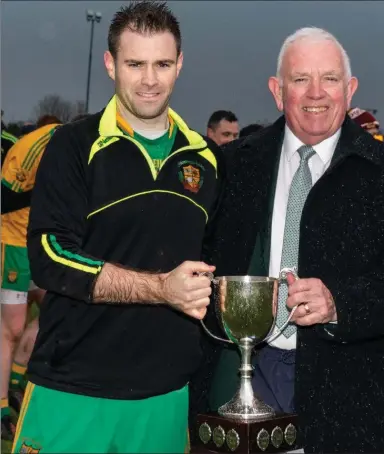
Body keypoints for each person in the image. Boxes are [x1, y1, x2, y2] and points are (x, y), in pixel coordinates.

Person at [198, 27, 384, 453]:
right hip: (245, 376)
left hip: (349, 391)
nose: (316, 93)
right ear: (277, 90)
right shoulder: (235, 166)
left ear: (350, 88)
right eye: (300, 79)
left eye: (330, 78)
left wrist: (339, 301)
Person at [11, 2, 224, 453]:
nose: (149, 80)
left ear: (180, 64)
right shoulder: (73, 144)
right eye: (135, 64)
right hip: (73, 386)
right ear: (111, 64)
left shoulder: (204, 157)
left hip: (164, 393)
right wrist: (161, 288)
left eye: (162, 64)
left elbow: (214, 261)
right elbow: (50, 256)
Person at [1, 115, 60, 440]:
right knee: (10, 329)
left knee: (57, 312)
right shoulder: (34, 145)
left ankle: (15, 383)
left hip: (42, 245)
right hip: (13, 246)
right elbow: (5, 197)